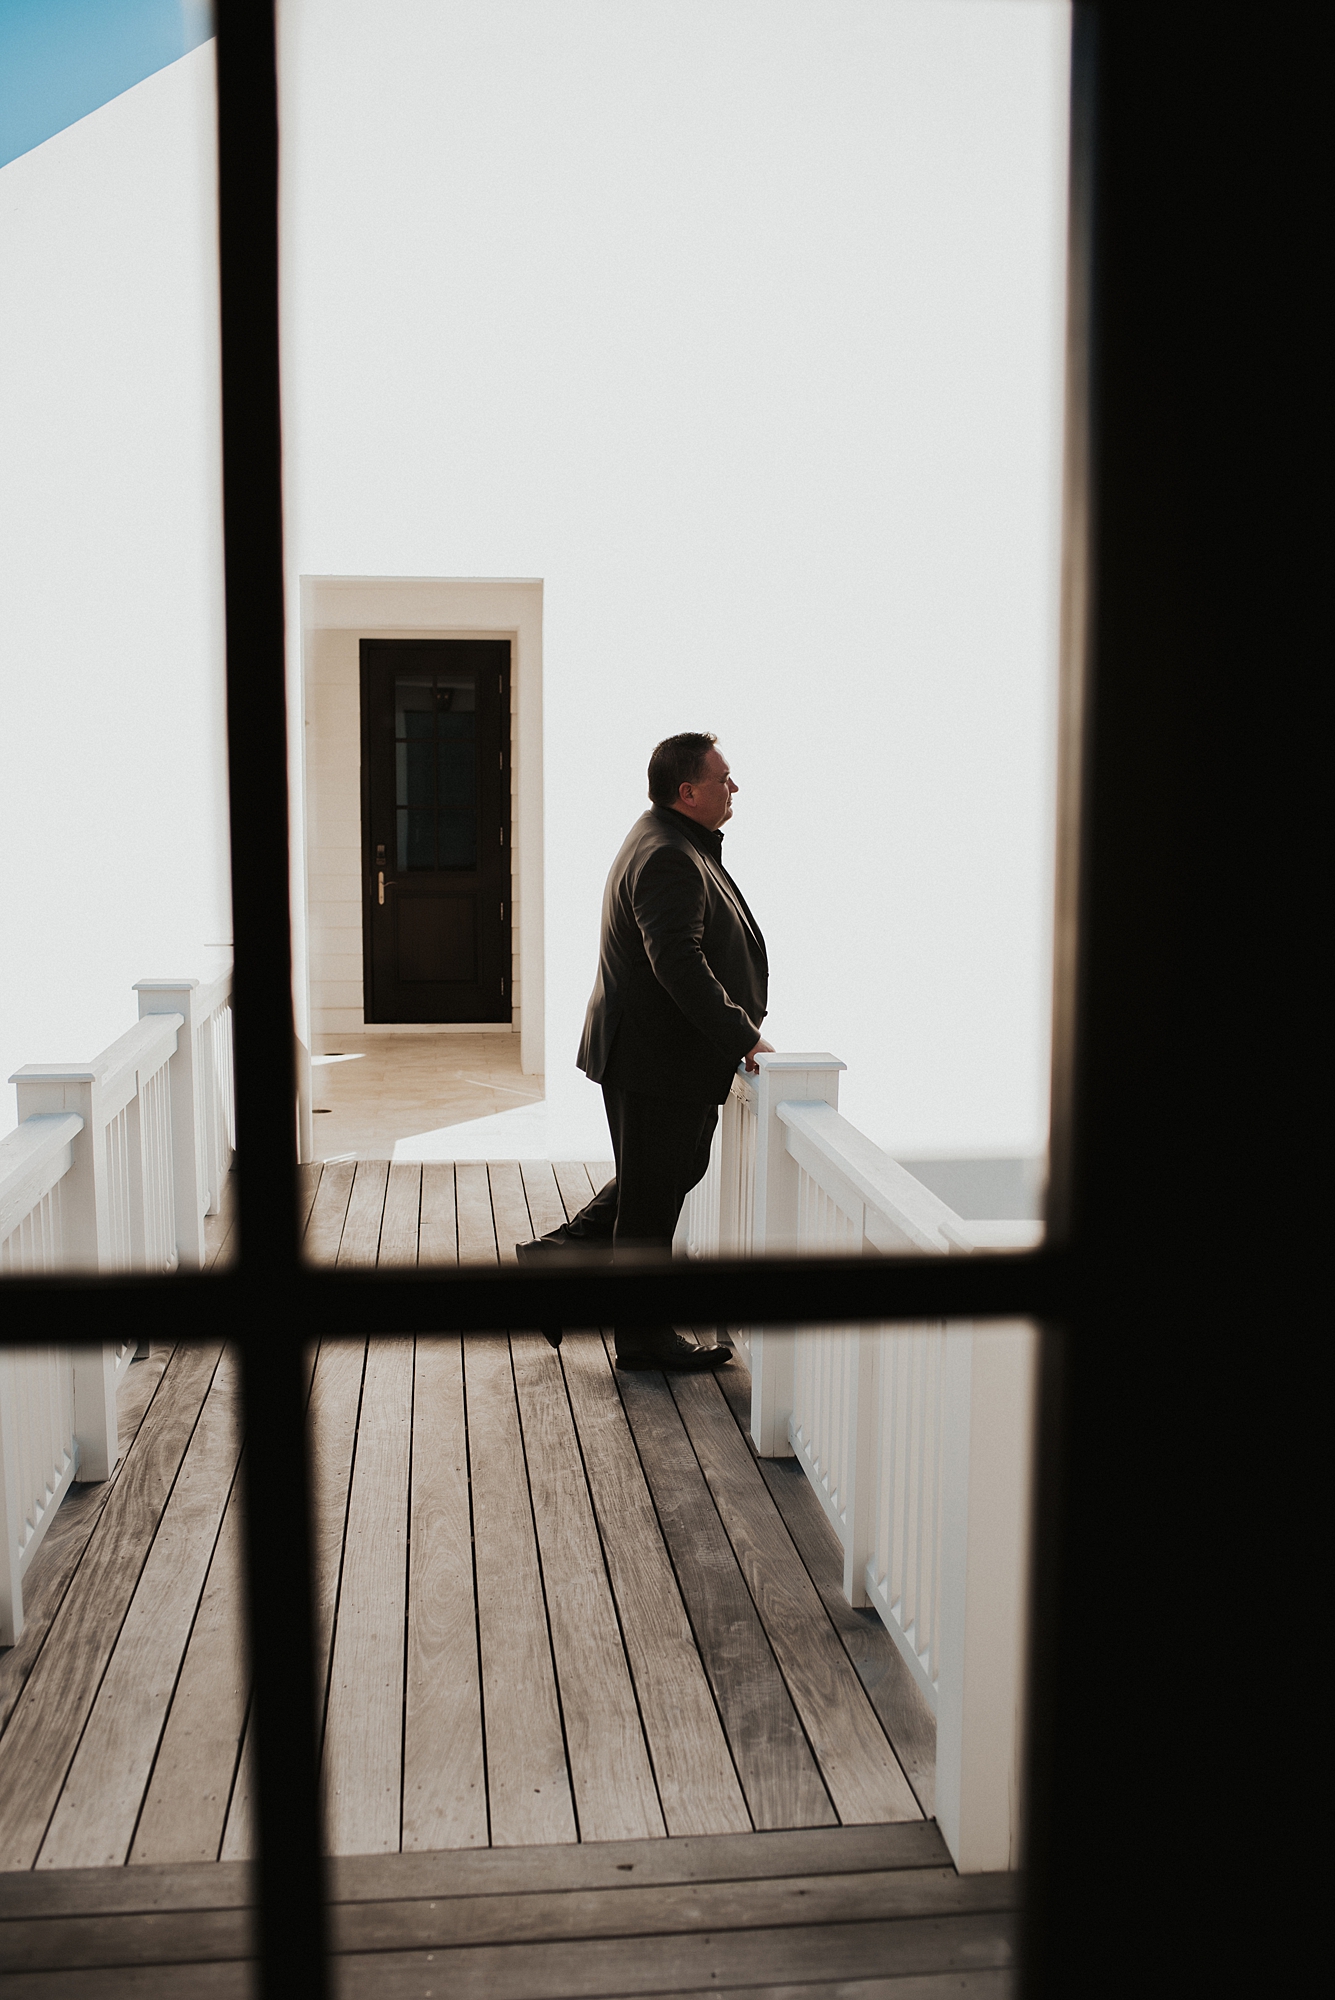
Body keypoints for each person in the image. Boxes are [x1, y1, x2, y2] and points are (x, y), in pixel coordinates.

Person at [517, 732, 773, 1370]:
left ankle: (557, 1260)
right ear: (688, 791)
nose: (733, 787)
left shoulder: (669, 839)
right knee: (652, 1205)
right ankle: (641, 1338)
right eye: (723, 778)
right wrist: (745, 1035)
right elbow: (677, 964)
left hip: (658, 1057)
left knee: (662, 1181)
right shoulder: (667, 854)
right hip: (656, 1060)